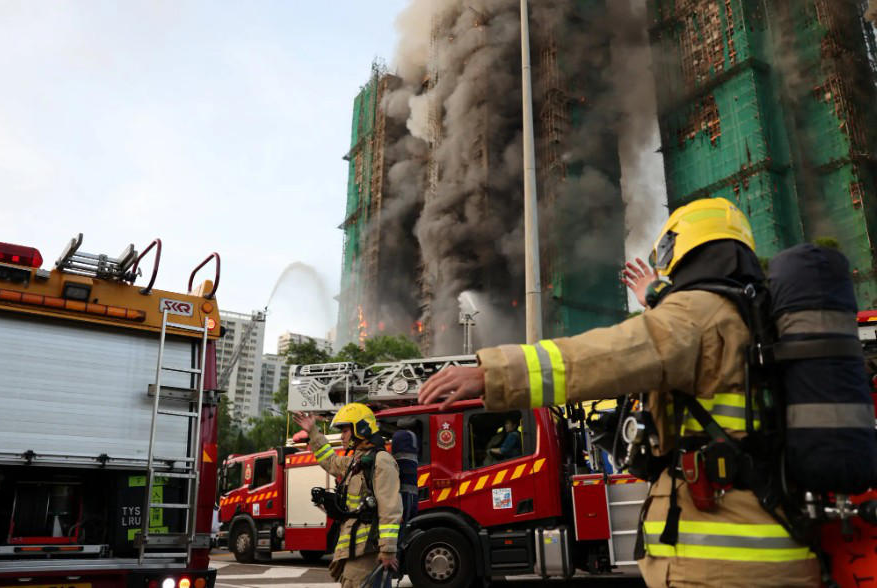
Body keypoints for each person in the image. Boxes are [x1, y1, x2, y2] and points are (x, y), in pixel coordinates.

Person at [418, 197, 820, 587]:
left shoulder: (698, 313)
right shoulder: (762, 317)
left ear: (681, 249)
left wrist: (493, 374)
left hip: (719, 562)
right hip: (781, 542)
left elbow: (603, 357)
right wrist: (657, 300)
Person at [293, 404, 402, 588]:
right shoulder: (355, 461)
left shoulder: (381, 460)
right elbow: (330, 460)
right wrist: (313, 431)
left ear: (361, 429)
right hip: (353, 549)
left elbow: (390, 508)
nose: (342, 436)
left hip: (368, 551)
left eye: (345, 430)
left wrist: (388, 549)